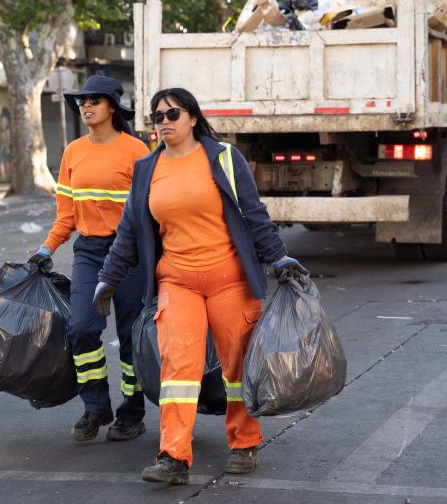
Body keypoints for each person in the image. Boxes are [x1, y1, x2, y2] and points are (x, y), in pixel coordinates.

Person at [92, 87, 307, 484]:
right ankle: (173, 456)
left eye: (172, 114)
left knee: (236, 366)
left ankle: (244, 443)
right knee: (177, 370)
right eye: (157, 117)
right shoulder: (147, 169)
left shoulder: (223, 158)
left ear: (192, 117)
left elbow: (254, 214)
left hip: (231, 280)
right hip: (177, 280)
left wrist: (278, 257)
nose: (164, 122)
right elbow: (129, 231)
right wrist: (109, 277)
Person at [28, 76, 151, 442]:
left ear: (112, 106)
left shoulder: (136, 151)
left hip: (129, 253)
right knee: (81, 328)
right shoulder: (73, 151)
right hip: (90, 251)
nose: (86, 106)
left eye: (94, 100)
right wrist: (45, 249)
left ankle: (132, 412)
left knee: (131, 336)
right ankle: (95, 407)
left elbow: (150, 211)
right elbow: (66, 214)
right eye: (82, 101)